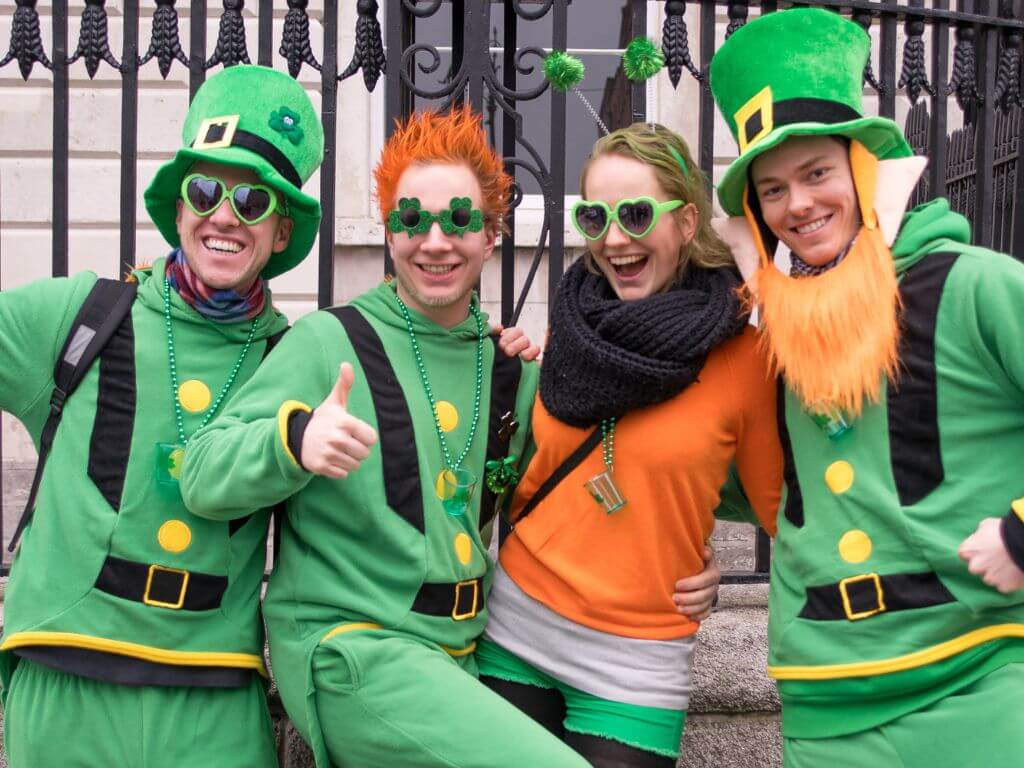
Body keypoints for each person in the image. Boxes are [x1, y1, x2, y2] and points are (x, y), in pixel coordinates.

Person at [180, 106, 592, 768]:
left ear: (490, 235)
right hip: (350, 651)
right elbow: (202, 473)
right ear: (388, 233)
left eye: (459, 219)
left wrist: (687, 560)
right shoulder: (327, 341)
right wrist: (295, 441)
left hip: (458, 654)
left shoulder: (508, 368)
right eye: (412, 219)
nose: (435, 240)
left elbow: (554, 501)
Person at [708, 8, 1024, 766]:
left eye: (817, 173)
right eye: (773, 189)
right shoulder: (766, 336)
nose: (800, 205)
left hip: (983, 673)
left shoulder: (977, 284)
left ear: (862, 168)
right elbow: (732, 478)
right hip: (825, 696)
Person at [0, 64, 324, 767]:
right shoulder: (79, 318)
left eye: (253, 200)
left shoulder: (297, 359)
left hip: (215, 702)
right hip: (66, 682)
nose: (224, 216)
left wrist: (497, 353)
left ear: (280, 230)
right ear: (178, 207)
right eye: (205, 191)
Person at [475, 122, 781, 768]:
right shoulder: (573, 325)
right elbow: (520, 469)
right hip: (517, 626)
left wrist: (705, 560)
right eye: (595, 216)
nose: (614, 239)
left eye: (637, 214)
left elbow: (781, 512)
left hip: (638, 661)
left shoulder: (741, 359)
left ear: (686, 221)